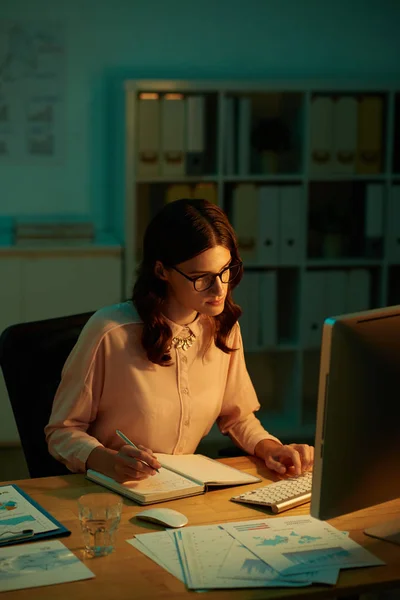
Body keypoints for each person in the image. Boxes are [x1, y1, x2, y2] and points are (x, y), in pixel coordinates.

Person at [45, 199, 314, 483]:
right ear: (162, 271)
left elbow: (237, 416)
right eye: (201, 278)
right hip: (113, 490)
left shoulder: (222, 327)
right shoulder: (110, 333)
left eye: (226, 271)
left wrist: (271, 447)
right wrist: (106, 461)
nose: (220, 289)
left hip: (183, 489)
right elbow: (61, 432)